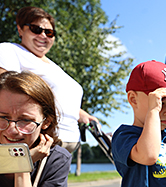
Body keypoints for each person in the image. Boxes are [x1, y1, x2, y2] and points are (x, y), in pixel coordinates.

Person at [0, 6, 99, 153]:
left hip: (69, 142)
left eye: (49, 32)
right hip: (40, 140)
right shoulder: (9, 50)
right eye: (36, 29)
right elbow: (5, 88)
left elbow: (61, 99)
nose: (43, 35)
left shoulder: (54, 67)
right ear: (20, 29)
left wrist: (84, 115)